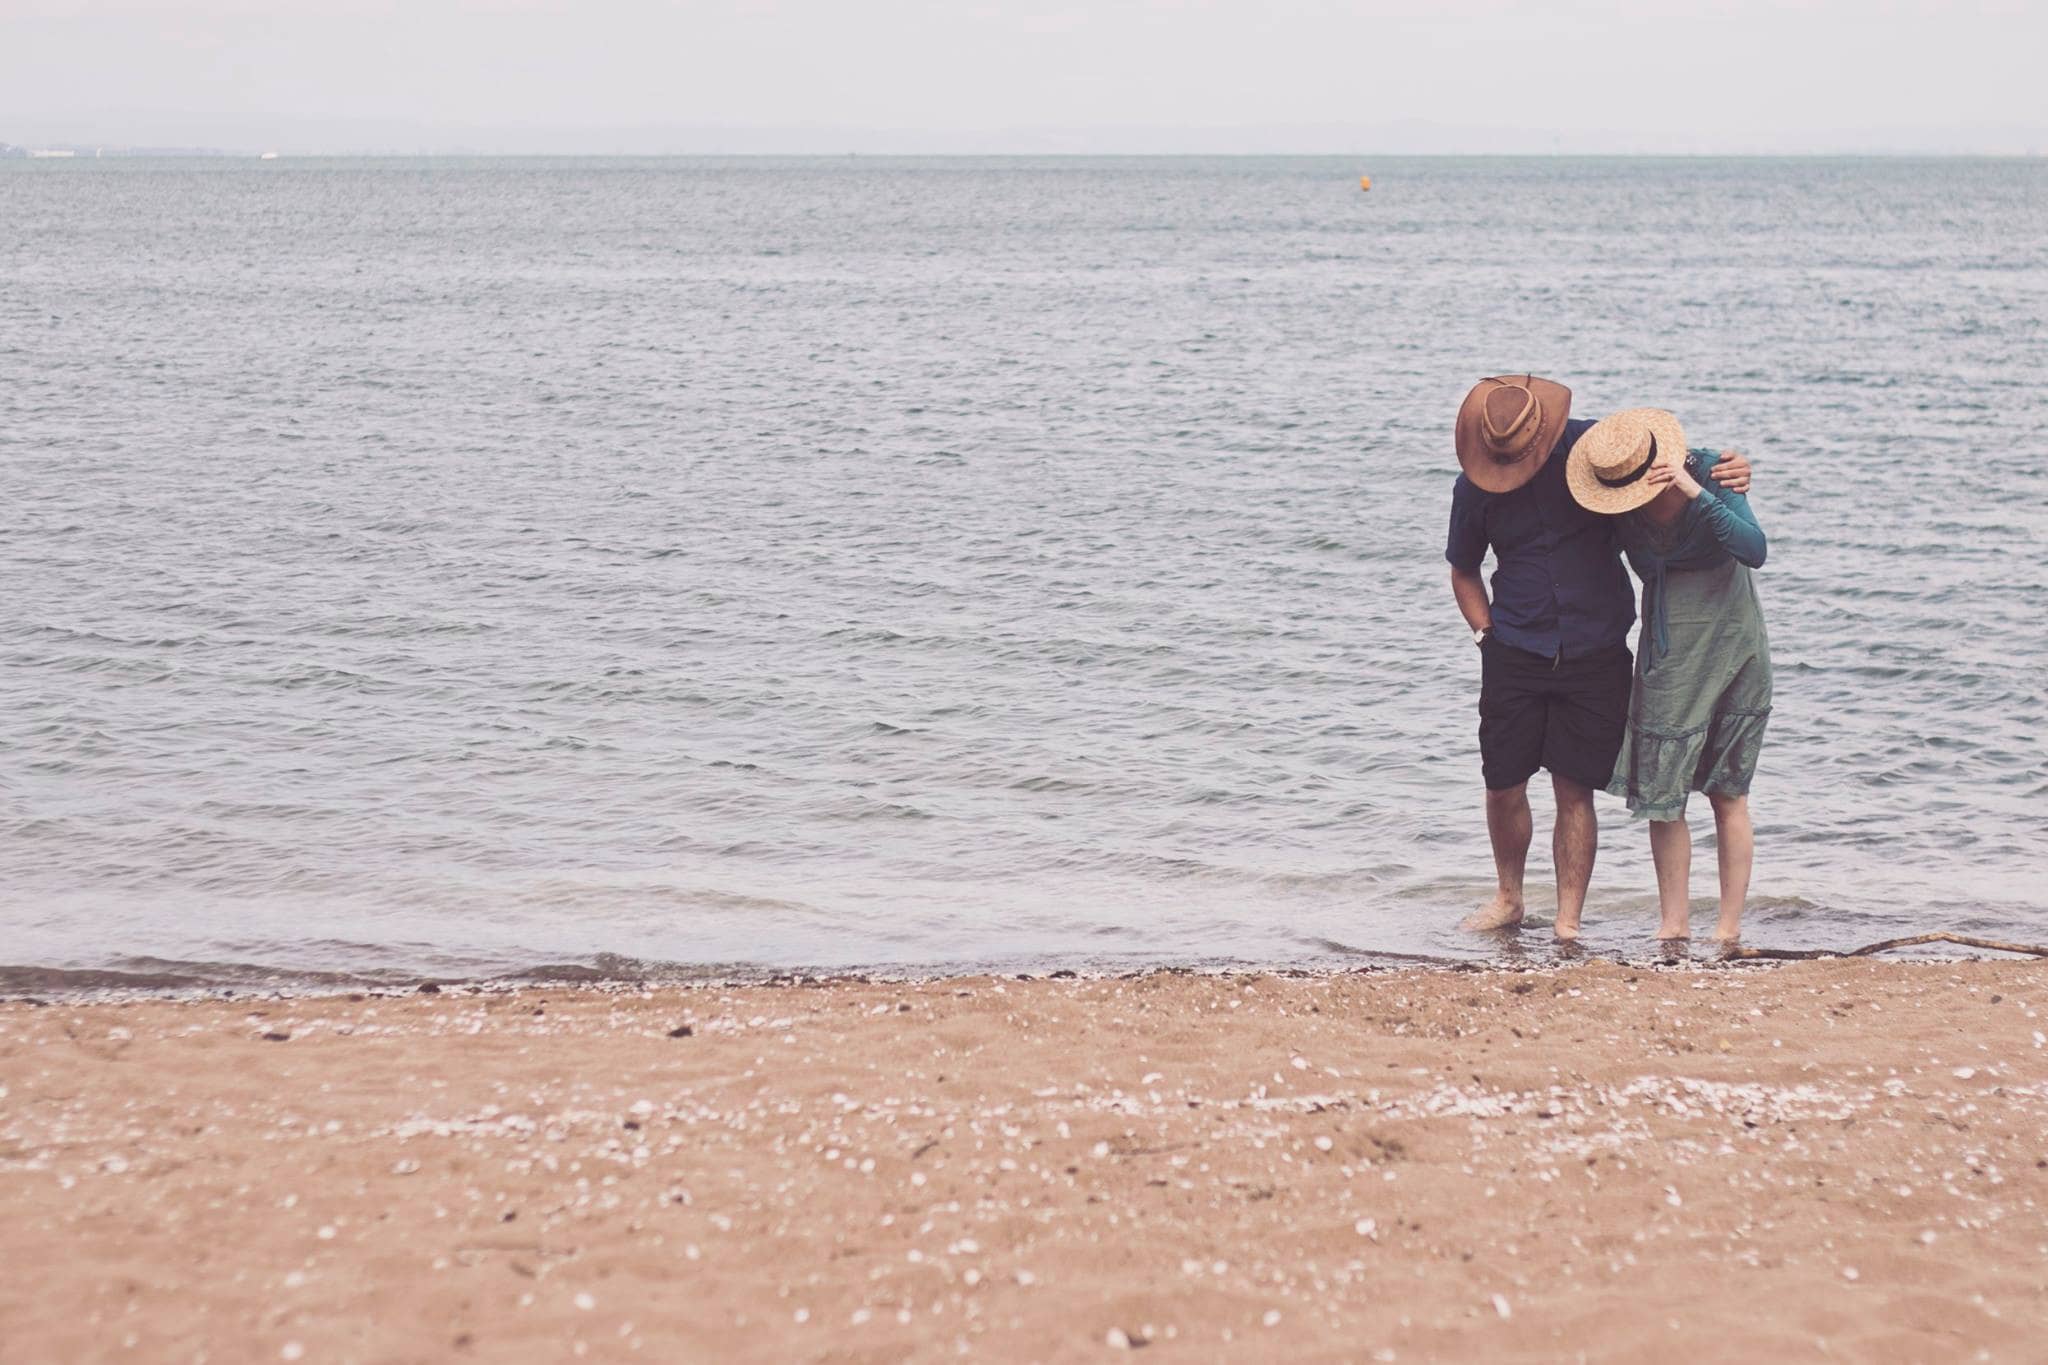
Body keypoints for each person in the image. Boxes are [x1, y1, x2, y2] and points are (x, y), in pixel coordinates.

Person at [1445, 376, 1751, 939]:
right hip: (1513, 646)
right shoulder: (1476, 487)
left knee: (1574, 788)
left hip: (1596, 647)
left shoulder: (1592, 451)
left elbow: (1667, 457)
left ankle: (1568, 921)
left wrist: (1728, 468)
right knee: (1502, 783)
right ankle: (1509, 898)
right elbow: (1463, 569)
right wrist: (1485, 636)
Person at [1564, 407, 1770, 942]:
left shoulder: (1712, 473)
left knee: (1727, 792)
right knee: (1664, 793)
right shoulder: (1615, 499)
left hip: (1732, 644)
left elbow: (1754, 550)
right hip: (1667, 654)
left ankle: (1728, 929)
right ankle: (1673, 925)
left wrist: (1694, 492)